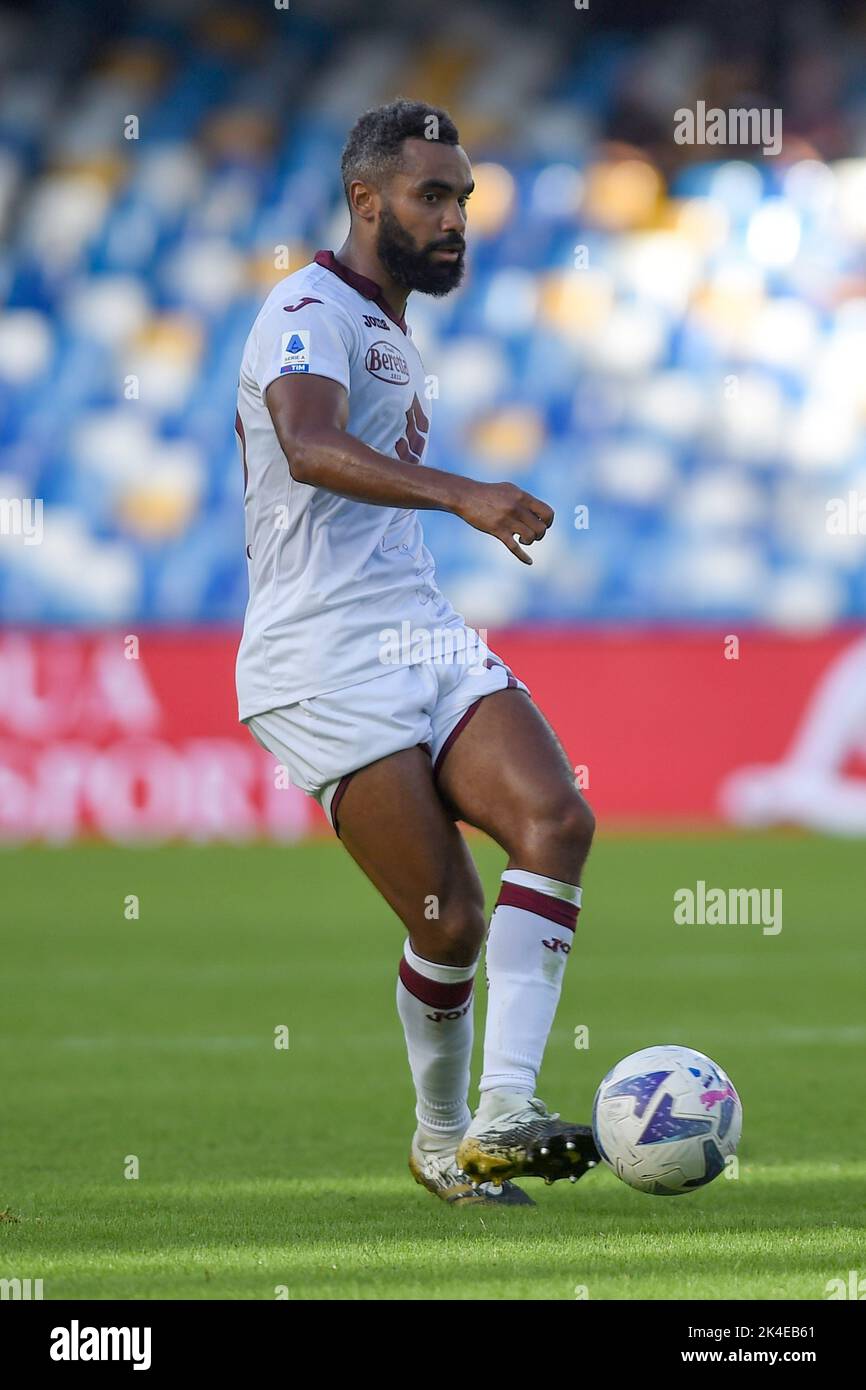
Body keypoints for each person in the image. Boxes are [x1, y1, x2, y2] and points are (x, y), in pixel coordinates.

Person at [235, 99, 598, 1206]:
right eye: (430, 196)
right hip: (319, 655)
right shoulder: (304, 307)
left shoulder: (387, 324)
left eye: (462, 200)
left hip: (419, 630)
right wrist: (465, 492)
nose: (452, 220)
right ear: (364, 200)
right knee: (446, 917)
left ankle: (502, 1113)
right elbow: (305, 444)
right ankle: (443, 1142)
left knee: (558, 818)